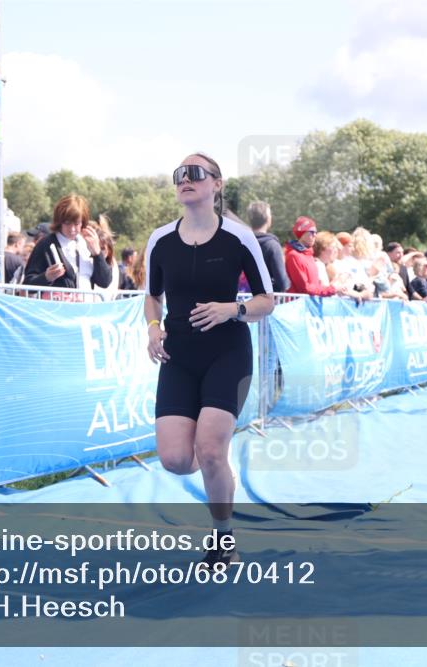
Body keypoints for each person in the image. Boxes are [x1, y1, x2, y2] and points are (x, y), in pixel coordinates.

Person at [144, 153, 274, 568]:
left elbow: (267, 301)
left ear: (217, 184)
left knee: (211, 450)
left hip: (227, 352)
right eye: (180, 174)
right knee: (177, 460)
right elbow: (152, 295)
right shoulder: (159, 240)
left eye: (196, 173)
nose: (186, 179)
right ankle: (216, 462)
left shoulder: (239, 238)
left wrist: (230, 309)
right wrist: (152, 326)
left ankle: (223, 540)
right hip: (178, 355)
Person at [23, 195, 112, 291]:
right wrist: (46, 277)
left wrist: (97, 253)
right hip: (57, 305)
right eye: (67, 223)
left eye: (77, 223)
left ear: (83, 222)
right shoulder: (46, 244)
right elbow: (27, 284)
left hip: (86, 304)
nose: (72, 229)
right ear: (59, 221)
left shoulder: (88, 242)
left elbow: (105, 282)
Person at [284, 216, 341, 296]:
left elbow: (315, 285)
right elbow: (304, 288)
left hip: (309, 305)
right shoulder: (293, 256)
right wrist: (331, 289)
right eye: (311, 232)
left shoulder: (309, 255)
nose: (315, 235)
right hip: (298, 305)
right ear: (302, 233)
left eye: (315, 232)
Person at [246, 201, 290, 293]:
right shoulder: (272, 246)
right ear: (268, 219)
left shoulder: (239, 243)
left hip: (242, 301)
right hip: (267, 301)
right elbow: (283, 283)